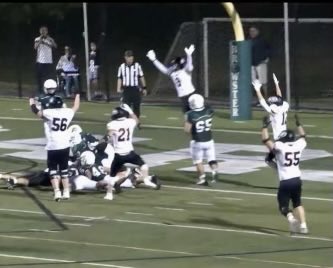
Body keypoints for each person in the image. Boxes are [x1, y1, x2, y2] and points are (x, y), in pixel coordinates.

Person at [29, 80, 80, 201]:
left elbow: (36, 111)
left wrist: (31, 102)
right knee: (64, 169)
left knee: (53, 170)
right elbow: (76, 106)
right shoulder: (66, 112)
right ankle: (66, 191)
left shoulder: (48, 112)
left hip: (53, 145)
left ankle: (57, 191)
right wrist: (77, 94)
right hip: (65, 145)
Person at [261, 114, 309, 234]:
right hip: (297, 179)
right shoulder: (298, 145)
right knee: (298, 203)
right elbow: (303, 136)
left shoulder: (281, 146)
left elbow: (266, 140)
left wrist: (264, 126)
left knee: (283, 206)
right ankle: (304, 226)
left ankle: (292, 219)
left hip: (286, 181)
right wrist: (299, 124)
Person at [106, 105, 161, 190]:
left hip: (118, 155)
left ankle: (110, 192)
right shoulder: (130, 122)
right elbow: (136, 120)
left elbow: (109, 135)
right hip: (129, 153)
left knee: (112, 176)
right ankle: (146, 178)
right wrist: (130, 110)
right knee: (143, 165)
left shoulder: (111, 124)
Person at [252, 73, 289, 168]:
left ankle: (282, 173)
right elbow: (279, 97)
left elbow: (262, 102)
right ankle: (282, 171)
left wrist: (257, 90)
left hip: (279, 140)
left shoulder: (274, 111)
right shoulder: (284, 105)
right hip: (286, 137)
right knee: (270, 159)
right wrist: (277, 84)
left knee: (275, 161)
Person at [146, 44, 196, 113]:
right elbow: (163, 69)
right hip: (184, 97)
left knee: (194, 114)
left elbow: (189, 65)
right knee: (189, 116)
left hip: (190, 95)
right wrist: (154, 60)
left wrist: (189, 56)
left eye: (175, 64)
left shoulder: (183, 71)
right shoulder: (174, 73)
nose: (173, 65)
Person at [183, 94, 218, 186]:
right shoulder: (209, 110)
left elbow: (187, 130)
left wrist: (187, 122)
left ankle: (202, 178)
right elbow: (208, 110)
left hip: (197, 141)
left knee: (198, 161)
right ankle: (214, 172)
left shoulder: (190, 114)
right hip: (209, 140)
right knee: (211, 159)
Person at [116, 50, 147, 127]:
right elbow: (120, 78)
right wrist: (118, 88)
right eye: (128, 57)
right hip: (126, 90)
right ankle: (127, 123)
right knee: (126, 107)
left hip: (135, 89)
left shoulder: (137, 66)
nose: (130, 59)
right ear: (125, 58)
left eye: (131, 57)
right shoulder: (122, 67)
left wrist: (144, 88)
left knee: (136, 106)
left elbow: (141, 77)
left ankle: (136, 122)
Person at [248, 26, 271, 101]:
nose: (252, 33)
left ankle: (266, 98)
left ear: (258, 31)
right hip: (251, 64)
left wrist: (267, 58)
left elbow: (269, 49)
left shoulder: (262, 40)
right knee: (254, 82)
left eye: (254, 31)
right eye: (251, 31)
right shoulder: (249, 41)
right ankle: (259, 99)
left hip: (261, 63)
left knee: (263, 82)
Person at [34, 25, 57, 94]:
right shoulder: (37, 39)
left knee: (48, 77)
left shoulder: (50, 39)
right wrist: (40, 40)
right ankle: (40, 90)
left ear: (47, 32)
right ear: (40, 32)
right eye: (42, 31)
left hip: (48, 61)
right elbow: (35, 47)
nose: (43, 32)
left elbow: (55, 46)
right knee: (39, 76)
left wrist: (50, 41)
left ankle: (48, 89)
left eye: (44, 31)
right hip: (40, 61)